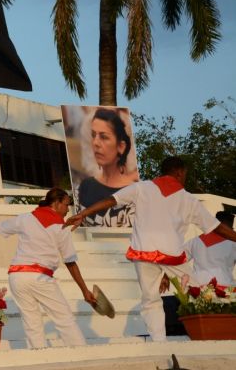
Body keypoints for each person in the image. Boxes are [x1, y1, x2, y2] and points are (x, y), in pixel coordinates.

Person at [67, 156, 236, 342]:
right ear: (179, 172)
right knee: (198, 292)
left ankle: (159, 342)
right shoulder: (188, 200)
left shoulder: (142, 188)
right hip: (172, 256)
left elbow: (111, 200)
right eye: (185, 174)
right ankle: (209, 335)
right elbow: (217, 227)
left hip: (144, 254)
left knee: (150, 301)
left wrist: (83, 213)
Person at [0, 188, 96, 349]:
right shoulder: (60, 226)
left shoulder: (26, 218)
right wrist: (84, 290)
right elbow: (70, 262)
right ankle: (82, 356)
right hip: (39, 277)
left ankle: (40, 360)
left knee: (32, 323)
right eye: (66, 204)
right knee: (64, 319)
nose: (67, 209)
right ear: (56, 203)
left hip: (17, 276)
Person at [75, 108, 138, 227]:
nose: (95, 143)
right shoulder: (83, 188)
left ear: (121, 146)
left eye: (104, 137)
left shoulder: (134, 196)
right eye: (93, 135)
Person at [185, 211, 236, 286]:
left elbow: (178, 259)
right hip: (225, 288)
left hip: (198, 288)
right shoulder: (233, 243)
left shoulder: (195, 241)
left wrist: (166, 276)